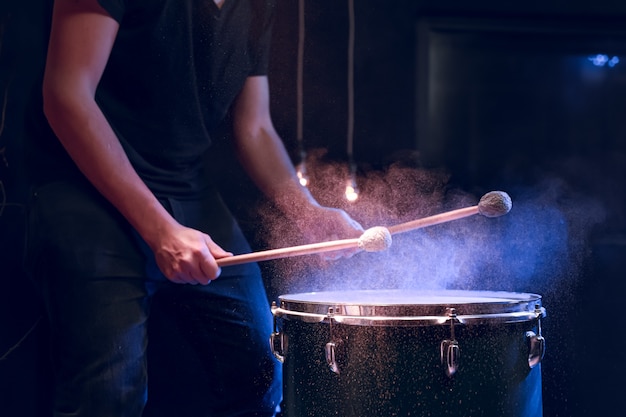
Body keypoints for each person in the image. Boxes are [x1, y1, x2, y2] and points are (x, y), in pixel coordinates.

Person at [24, 0, 364, 416]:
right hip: (85, 187)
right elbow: (66, 95)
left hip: (186, 186)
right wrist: (160, 229)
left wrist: (307, 212)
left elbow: (254, 127)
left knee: (259, 371)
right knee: (109, 391)